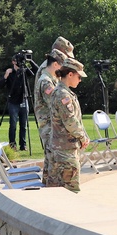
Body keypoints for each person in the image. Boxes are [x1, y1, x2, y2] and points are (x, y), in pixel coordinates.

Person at [47, 58, 90, 193]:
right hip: (65, 151)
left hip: (61, 149)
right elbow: (70, 121)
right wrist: (83, 137)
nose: (80, 80)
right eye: (79, 77)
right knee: (71, 192)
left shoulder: (62, 92)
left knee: (58, 191)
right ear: (70, 74)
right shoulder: (62, 94)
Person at [34, 48, 68, 172]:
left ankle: (50, 185)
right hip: (48, 126)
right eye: (62, 67)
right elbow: (55, 103)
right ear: (55, 64)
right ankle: (51, 187)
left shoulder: (52, 80)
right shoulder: (46, 82)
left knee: (51, 162)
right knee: (53, 162)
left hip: (51, 125)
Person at [1, 55, 28, 151]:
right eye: (17, 61)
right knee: (13, 125)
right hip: (13, 102)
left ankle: (23, 145)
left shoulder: (24, 72)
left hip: (23, 100)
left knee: (23, 125)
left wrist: (29, 60)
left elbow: (35, 71)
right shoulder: (10, 72)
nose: (19, 62)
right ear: (13, 62)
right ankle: (12, 144)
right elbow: (0, 85)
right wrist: (6, 75)